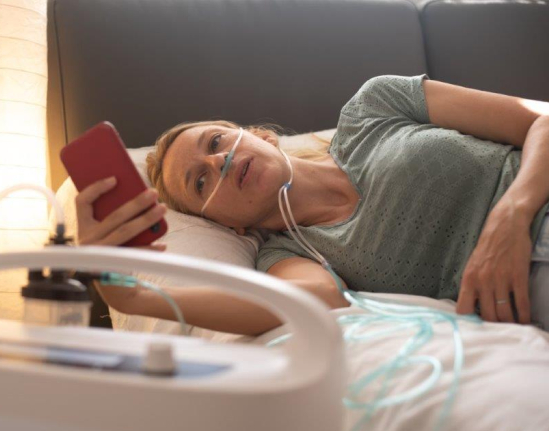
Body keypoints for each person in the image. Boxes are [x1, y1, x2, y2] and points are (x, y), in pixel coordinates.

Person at [75, 74, 549, 336]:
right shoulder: (289, 256)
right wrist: (135, 298)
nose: (220, 160)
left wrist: (514, 212)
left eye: (217, 141)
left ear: (258, 136)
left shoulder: (374, 107)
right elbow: (314, 301)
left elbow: (539, 123)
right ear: (225, 225)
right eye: (200, 181)